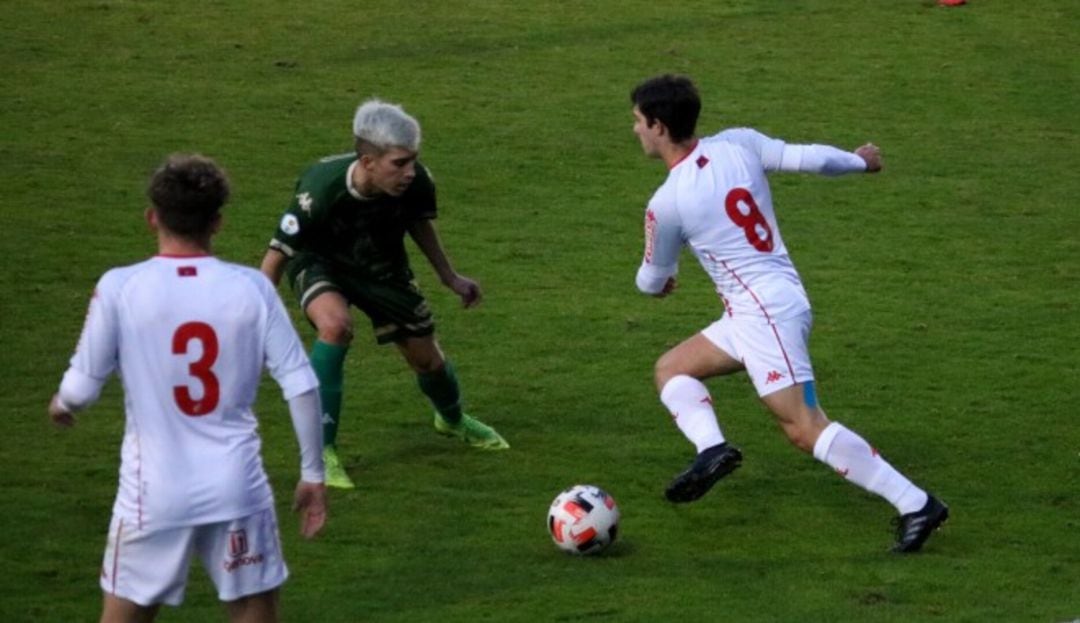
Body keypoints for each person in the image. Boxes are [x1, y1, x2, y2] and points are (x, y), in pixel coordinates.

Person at [629, 74, 948, 553]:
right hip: (763, 305)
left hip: (764, 315)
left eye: (637, 120)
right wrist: (860, 163)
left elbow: (651, 281)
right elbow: (809, 158)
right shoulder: (738, 142)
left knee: (803, 426)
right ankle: (712, 450)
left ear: (658, 125)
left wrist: (663, 280)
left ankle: (916, 504)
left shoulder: (667, 203)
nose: (633, 129)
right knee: (672, 368)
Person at [48, 154, 328, 622]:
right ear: (217, 222)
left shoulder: (121, 287)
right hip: (236, 484)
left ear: (152, 217)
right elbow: (299, 381)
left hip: (152, 491)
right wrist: (313, 474)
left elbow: (81, 388)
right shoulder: (252, 289)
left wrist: (63, 404)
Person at [260, 98, 509, 489]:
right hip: (319, 261)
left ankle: (452, 419)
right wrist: (257, 319)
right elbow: (275, 257)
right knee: (336, 327)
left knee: (428, 361)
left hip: (381, 267)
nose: (410, 171)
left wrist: (450, 276)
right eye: (399, 163)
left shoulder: (418, 183)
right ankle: (323, 453)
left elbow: (419, 224)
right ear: (367, 161)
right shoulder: (319, 188)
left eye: (413, 160)